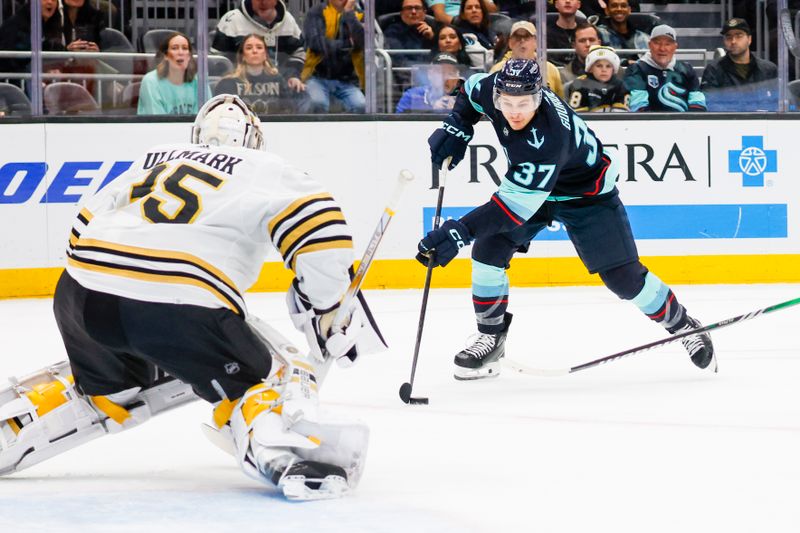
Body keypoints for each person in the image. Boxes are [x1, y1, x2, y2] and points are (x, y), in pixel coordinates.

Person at [0, 94, 385, 500]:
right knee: (278, 371)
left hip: (80, 295)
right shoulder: (266, 167)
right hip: (177, 305)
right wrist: (327, 308)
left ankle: (32, 414)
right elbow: (320, 228)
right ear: (254, 139)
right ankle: (287, 450)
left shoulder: (154, 157)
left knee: (114, 383)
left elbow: (83, 222)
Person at [419, 58, 716, 380]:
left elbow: (511, 208)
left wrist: (458, 232)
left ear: (540, 95)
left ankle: (684, 326)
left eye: (525, 103)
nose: (515, 112)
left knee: (624, 278)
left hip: (587, 195)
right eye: (507, 103)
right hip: (534, 188)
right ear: (498, 96)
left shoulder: (549, 137)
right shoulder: (490, 89)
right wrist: (459, 123)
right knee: (488, 252)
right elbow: (471, 90)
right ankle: (491, 337)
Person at [211, 0, 307, 94]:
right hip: (237, 86)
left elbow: (299, 53)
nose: (263, 2)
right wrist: (231, 79)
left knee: (309, 100)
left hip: (281, 85)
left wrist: (293, 76)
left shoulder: (288, 20)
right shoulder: (231, 20)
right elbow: (218, 59)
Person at [300, 0, 366, 113]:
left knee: (361, 105)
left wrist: (349, 13)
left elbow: (363, 42)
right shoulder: (316, 12)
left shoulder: (360, 15)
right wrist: (347, 44)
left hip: (347, 80)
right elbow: (317, 44)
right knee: (318, 103)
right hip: (317, 76)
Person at [700, 18, 778, 112]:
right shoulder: (713, 70)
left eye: (739, 36)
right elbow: (710, 103)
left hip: (762, 123)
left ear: (749, 39)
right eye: (728, 37)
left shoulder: (768, 69)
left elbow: (778, 103)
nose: (733, 41)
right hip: (727, 123)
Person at [623, 24, 706, 112]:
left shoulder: (687, 69)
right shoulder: (637, 69)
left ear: (675, 47)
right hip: (650, 124)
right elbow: (638, 107)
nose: (662, 48)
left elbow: (698, 104)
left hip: (684, 124)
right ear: (650, 45)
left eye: (668, 44)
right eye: (657, 43)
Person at [214, 33, 302, 114]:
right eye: (249, 48)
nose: (254, 51)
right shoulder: (228, 83)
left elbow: (289, 110)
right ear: (243, 55)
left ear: (265, 55)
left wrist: (294, 78)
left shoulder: (278, 79)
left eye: (259, 47)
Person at [490, 21, 563, 98]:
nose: (522, 41)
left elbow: (560, 101)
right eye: (517, 37)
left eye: (527, 37)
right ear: (510, 42)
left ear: (536, 42)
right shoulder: (497, 70)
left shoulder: (550, 69)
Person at [137, 32, 202, 115]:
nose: (180, 52)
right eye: (175, 48)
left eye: (185, 48)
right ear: (166, 55)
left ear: (189, 56)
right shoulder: (151, 82)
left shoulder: (199, 82)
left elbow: (205, 117)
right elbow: (157, 122)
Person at [0, 0, 65, 78]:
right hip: (13, 80)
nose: (50, 2)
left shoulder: (50, 24)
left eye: (54, 0)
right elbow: (15, 59)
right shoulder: (18, 24)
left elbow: (49, 47)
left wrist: (67, 51)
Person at [395, 51, 465, 112]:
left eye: (450, 73)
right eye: (440, 72)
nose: (445, 77)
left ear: (457, 76)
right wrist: (432, 111)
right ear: (430, 74)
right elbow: (398, 122)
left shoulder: (466, 97)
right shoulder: (412, 95)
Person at [565, 44, 627, 111]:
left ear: (613, 69)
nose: (604, 70)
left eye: (608, 66)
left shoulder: (620, 85)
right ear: (590, 68)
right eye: (599, 66)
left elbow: (623, 112)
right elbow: (576, 112)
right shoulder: (579, 84)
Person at [546, 0, 586, 66]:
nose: (567, 1)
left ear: (579, 4)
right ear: (556, 4)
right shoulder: (545, 34)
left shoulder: (586, 32)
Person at [428, 0, 496, 26]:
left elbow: (493, 10)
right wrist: (461, 23)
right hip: (453, 25)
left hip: (478, 23)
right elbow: (440, 15)